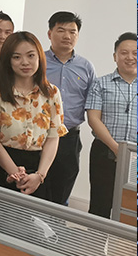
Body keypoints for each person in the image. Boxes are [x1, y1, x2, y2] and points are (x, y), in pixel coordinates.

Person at [0, 32, 67, 202]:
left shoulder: (52, 93)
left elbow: (53, 137)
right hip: (1, 166)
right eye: (17, 57)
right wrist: (14, 172)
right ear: (7, 60)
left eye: (31, 56)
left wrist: (40, 175)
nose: (25, 62)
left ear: (39, 57)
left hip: (39, 169)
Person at [44, 12, 95, 205]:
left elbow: (92, 103)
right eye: (61, 30)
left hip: (69, 137)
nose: (67, 36)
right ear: (50, 33)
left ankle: (56, 221)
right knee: (38, 184)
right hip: (40, 135)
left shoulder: (86, 67)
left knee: (63, 187)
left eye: (72, 32)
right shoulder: (38, 62)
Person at [86, 32, 137, 217]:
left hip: (136, 156)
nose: (130, 57)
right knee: (100, 205)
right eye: (124, 53)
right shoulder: (100, 84)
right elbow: (93, 119)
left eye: (135, 53)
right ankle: (96, 237)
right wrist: (117, 149)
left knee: (131, 209)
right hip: (105, 152)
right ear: (115, 56)